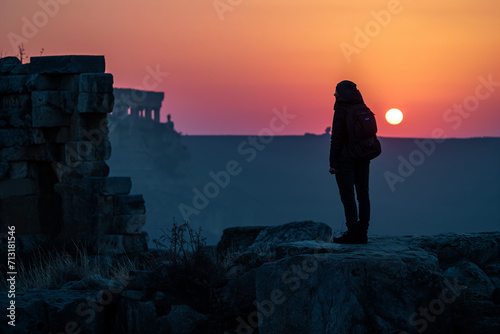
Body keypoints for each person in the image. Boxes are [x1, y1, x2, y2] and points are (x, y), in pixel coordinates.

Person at [329, 80, 371, 244]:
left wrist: (333, 162)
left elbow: (337, 137)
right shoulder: (361, 105)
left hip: (345, 159)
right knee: (363, 195)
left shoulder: (341, 108)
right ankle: (363, 233)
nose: (334, 94)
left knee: (348, 196)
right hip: (363, 156)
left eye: (336, 91)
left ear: (341, 93)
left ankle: (352, 232)